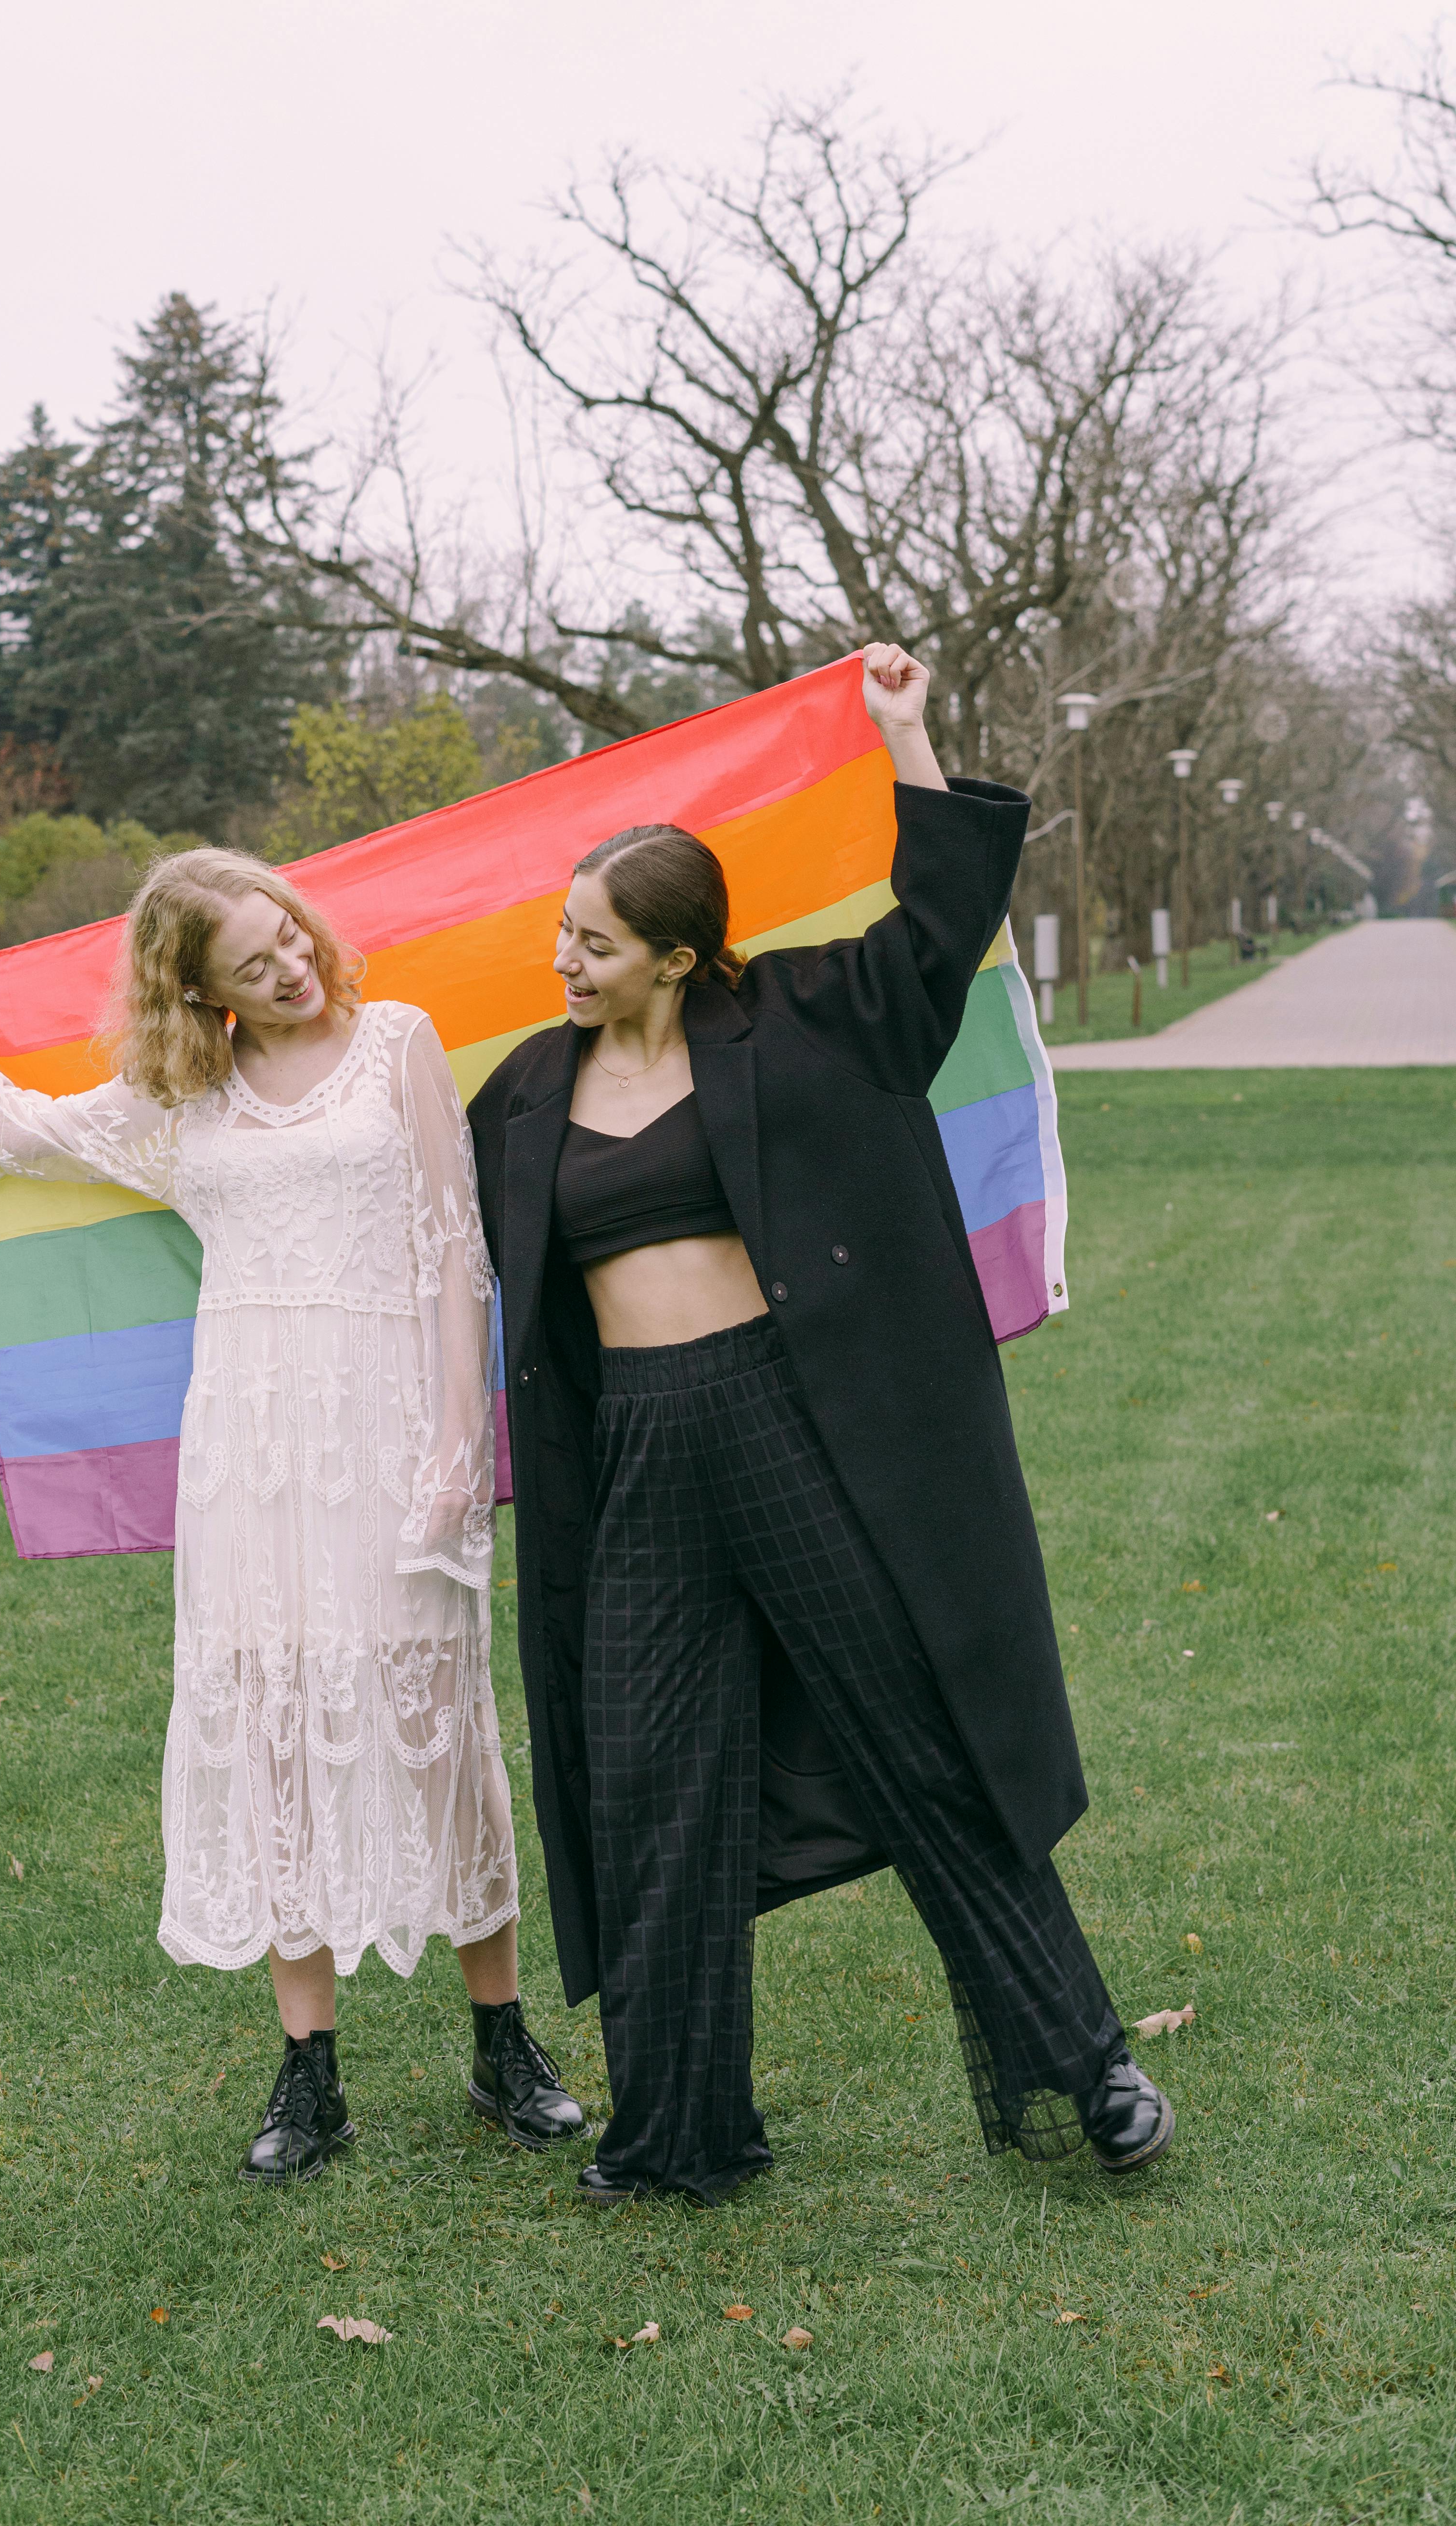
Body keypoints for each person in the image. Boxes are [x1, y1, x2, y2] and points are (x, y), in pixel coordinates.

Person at [467, 646, 1173, 2204]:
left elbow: (939, 926)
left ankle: (1088, 2070)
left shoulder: (806, 1018)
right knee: (650, 1789)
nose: (562, 961)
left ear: (673, 952)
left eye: (591, 943)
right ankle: (683, 2137)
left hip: (796, 1439)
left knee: (925, 1757)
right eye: (562, 936)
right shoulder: (522, 1094)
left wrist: (908, 731)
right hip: (638, 1467)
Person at [0, 849, 582, 2182]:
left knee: (435, 1721)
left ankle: (502, 2041)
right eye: (254, 966)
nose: (294, 968)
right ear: (200, 995)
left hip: (387, 1428)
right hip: (248, 1442)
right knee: (274, 1728)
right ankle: (309, 2076)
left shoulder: (400, 1044)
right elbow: (23, 1127)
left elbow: (452, 1250)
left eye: (292, 938)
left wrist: (453, 1447)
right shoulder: (177, 1101)